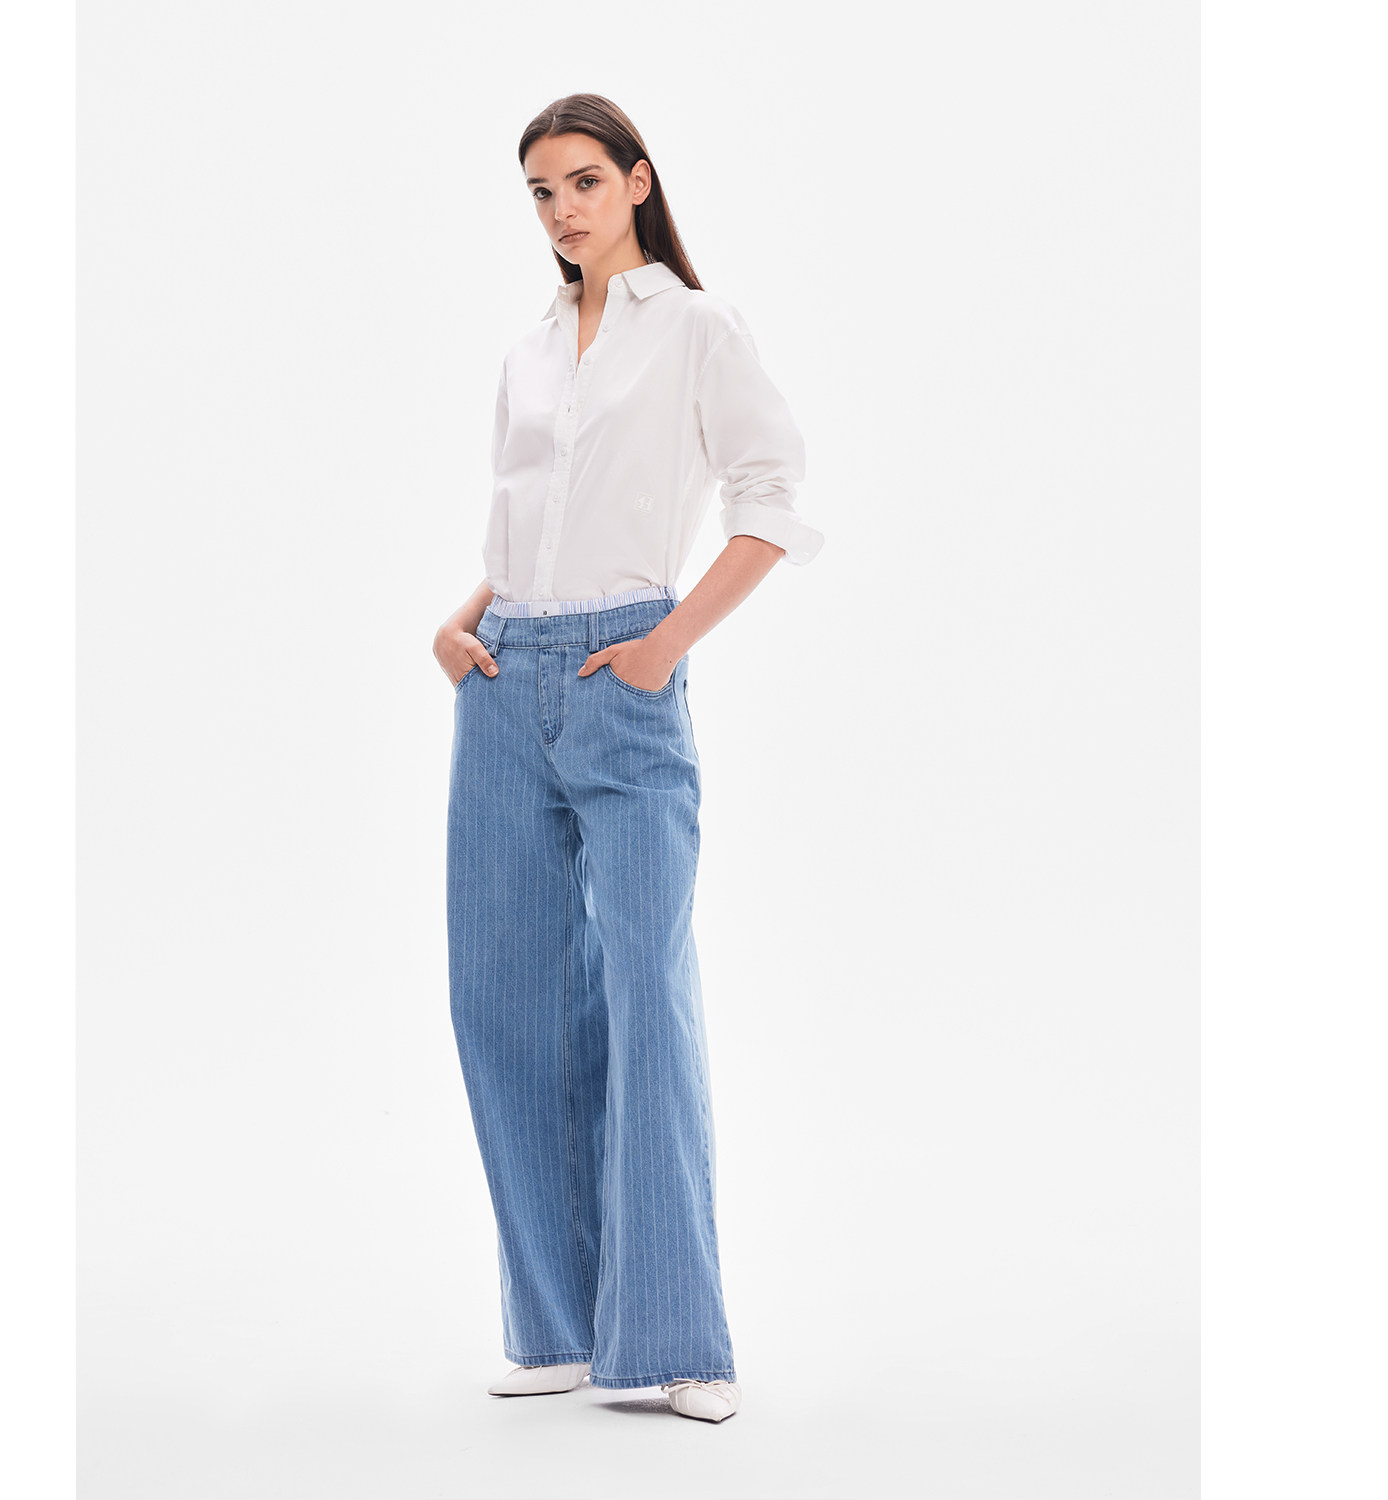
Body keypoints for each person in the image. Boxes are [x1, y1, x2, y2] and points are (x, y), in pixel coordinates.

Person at [434, 93, 824, 1425]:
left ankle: (676, 1339)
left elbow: (770, 504)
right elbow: (522, 530)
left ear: (639, 183)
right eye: (542, 192)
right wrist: (460, 623)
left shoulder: (698, 329)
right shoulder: (531, 350)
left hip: (623, 679)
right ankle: (554, 1322)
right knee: (503, 1002)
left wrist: (662, 647)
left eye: (585, 181)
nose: (563, 210)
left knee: (646, 998)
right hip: (503, 681)